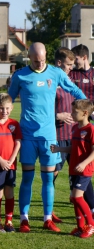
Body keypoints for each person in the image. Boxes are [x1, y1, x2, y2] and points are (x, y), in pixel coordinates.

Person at [8, 42, 86, 233]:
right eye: (35, 61)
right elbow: (8, 101)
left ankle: (47, 219)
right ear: (29, 57)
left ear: (46, 56)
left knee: (48, 179)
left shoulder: (56, 73)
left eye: (42, 60)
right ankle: (24, 219)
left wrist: (87, 109)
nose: (39, 64)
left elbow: (74, 90)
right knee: (27, 179)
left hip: (49, 137)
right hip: (27, 136)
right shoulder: (19, 76)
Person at [51, 99, 94, 238]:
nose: (72, 114)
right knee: (74, 198)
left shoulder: (91, 129)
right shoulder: (75, 128)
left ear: (85, 113)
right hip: (74, 169)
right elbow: (74, 148)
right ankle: (80, 227)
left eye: (75, 112)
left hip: (85, 170)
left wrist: (84, 163)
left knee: (77, 197)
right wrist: (59, 148)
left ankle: (91, 225)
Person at [0, 93, 22, 233]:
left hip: (10, 165)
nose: (4, 111)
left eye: (7, 108)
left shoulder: (14, 124)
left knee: (9, 192)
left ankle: (9, 221)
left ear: (11, 108)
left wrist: (11, 160)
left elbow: (18, 143)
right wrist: (1, 160)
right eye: (1, 108)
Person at [70, 44, 94, 218]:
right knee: (83, 164)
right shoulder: (73, 75)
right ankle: (91, 206)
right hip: (78, 122)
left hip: (90, 121)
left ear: (83, 57)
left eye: (75, 58)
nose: (73, 62)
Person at [52, 47, 76, 223]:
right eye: (68, 65)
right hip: (57, 137)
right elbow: (38, 110)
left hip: (73, 135)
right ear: (59, 63)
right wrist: (57, 116)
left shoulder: (69, 81)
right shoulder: (50, 83)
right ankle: (49, 212)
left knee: (77, 173)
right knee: (52, 175)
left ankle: (82, 211)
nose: (71, 68)